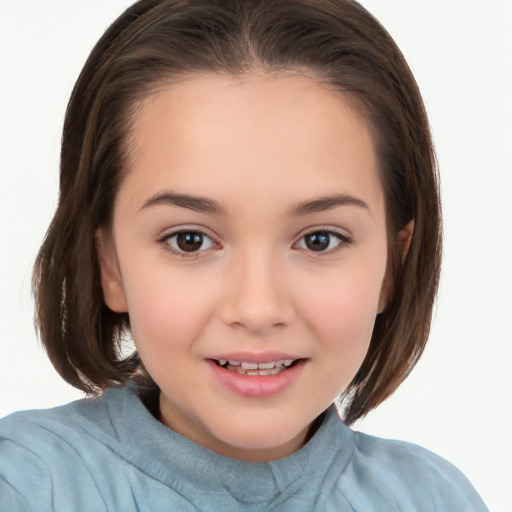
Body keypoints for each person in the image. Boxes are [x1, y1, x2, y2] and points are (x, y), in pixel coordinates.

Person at [0, 0, 489, 510]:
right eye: (189, 240)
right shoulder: (24, 486)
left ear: (393, 264)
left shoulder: (432, 498)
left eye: (319, 239)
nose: (257, 309)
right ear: (110, 265)